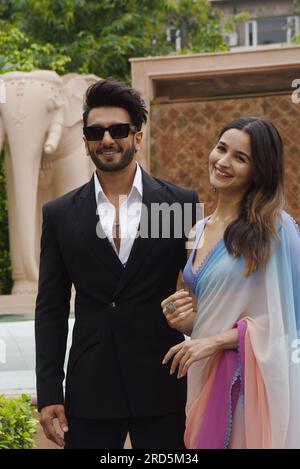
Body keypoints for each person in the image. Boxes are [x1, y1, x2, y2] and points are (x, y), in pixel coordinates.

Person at [35, 79, 199, 449]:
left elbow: (198, 282)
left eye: (119, 129)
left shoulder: (177, 204)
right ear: (86, 142)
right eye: (96, 131)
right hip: (90, 388)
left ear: (137, 137)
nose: (107, 139)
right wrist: (48, 391)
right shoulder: (60, 213)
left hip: (163, 380)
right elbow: (50, 307)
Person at [161, 116, 300, 449]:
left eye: (240, 158)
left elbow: (290, 326)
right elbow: (217, 318)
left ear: (259, 171)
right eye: (221, 148)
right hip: (203, 378)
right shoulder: (197, 231)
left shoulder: (275, 230)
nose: (222, 162)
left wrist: (215, 341)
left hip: (250, 391)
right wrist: (191, 324)